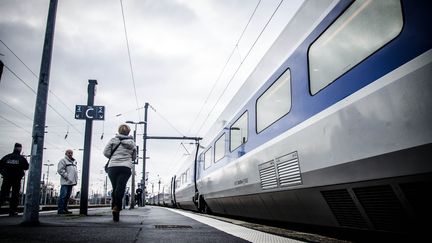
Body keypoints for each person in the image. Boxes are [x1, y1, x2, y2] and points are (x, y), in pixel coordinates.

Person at [104, 124, 136, 222]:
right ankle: (117, 207)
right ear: (128, 132)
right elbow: (134, 157)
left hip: (113, 167)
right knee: (121, 187)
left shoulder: (113, 140)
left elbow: (106, 152)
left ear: (119, 131)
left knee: (115, 188)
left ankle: (114, 207)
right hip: (125, 167)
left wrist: (114, 157)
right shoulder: (132, 142)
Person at [0, 143, 29, 216]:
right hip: (16, 179)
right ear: (20, 149)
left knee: (3, 193)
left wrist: (3, 173)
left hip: (6, 178)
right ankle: (12, 210)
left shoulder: (7, 157)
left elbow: (0, 165)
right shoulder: (21, 158)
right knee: (15, 194)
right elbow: (26, 167)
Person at [57, 149, 78, 214]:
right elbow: (60, 170)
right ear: (66, 153)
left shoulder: (73, 162)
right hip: (65, 181)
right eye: (69, 153)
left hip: (71, 182)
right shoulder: (63, 161)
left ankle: (65, 209)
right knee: (63, 195)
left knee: (67, 196)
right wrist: (67, 177)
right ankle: (60, 209)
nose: (70, 154)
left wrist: (75, 180)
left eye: (71, 153)